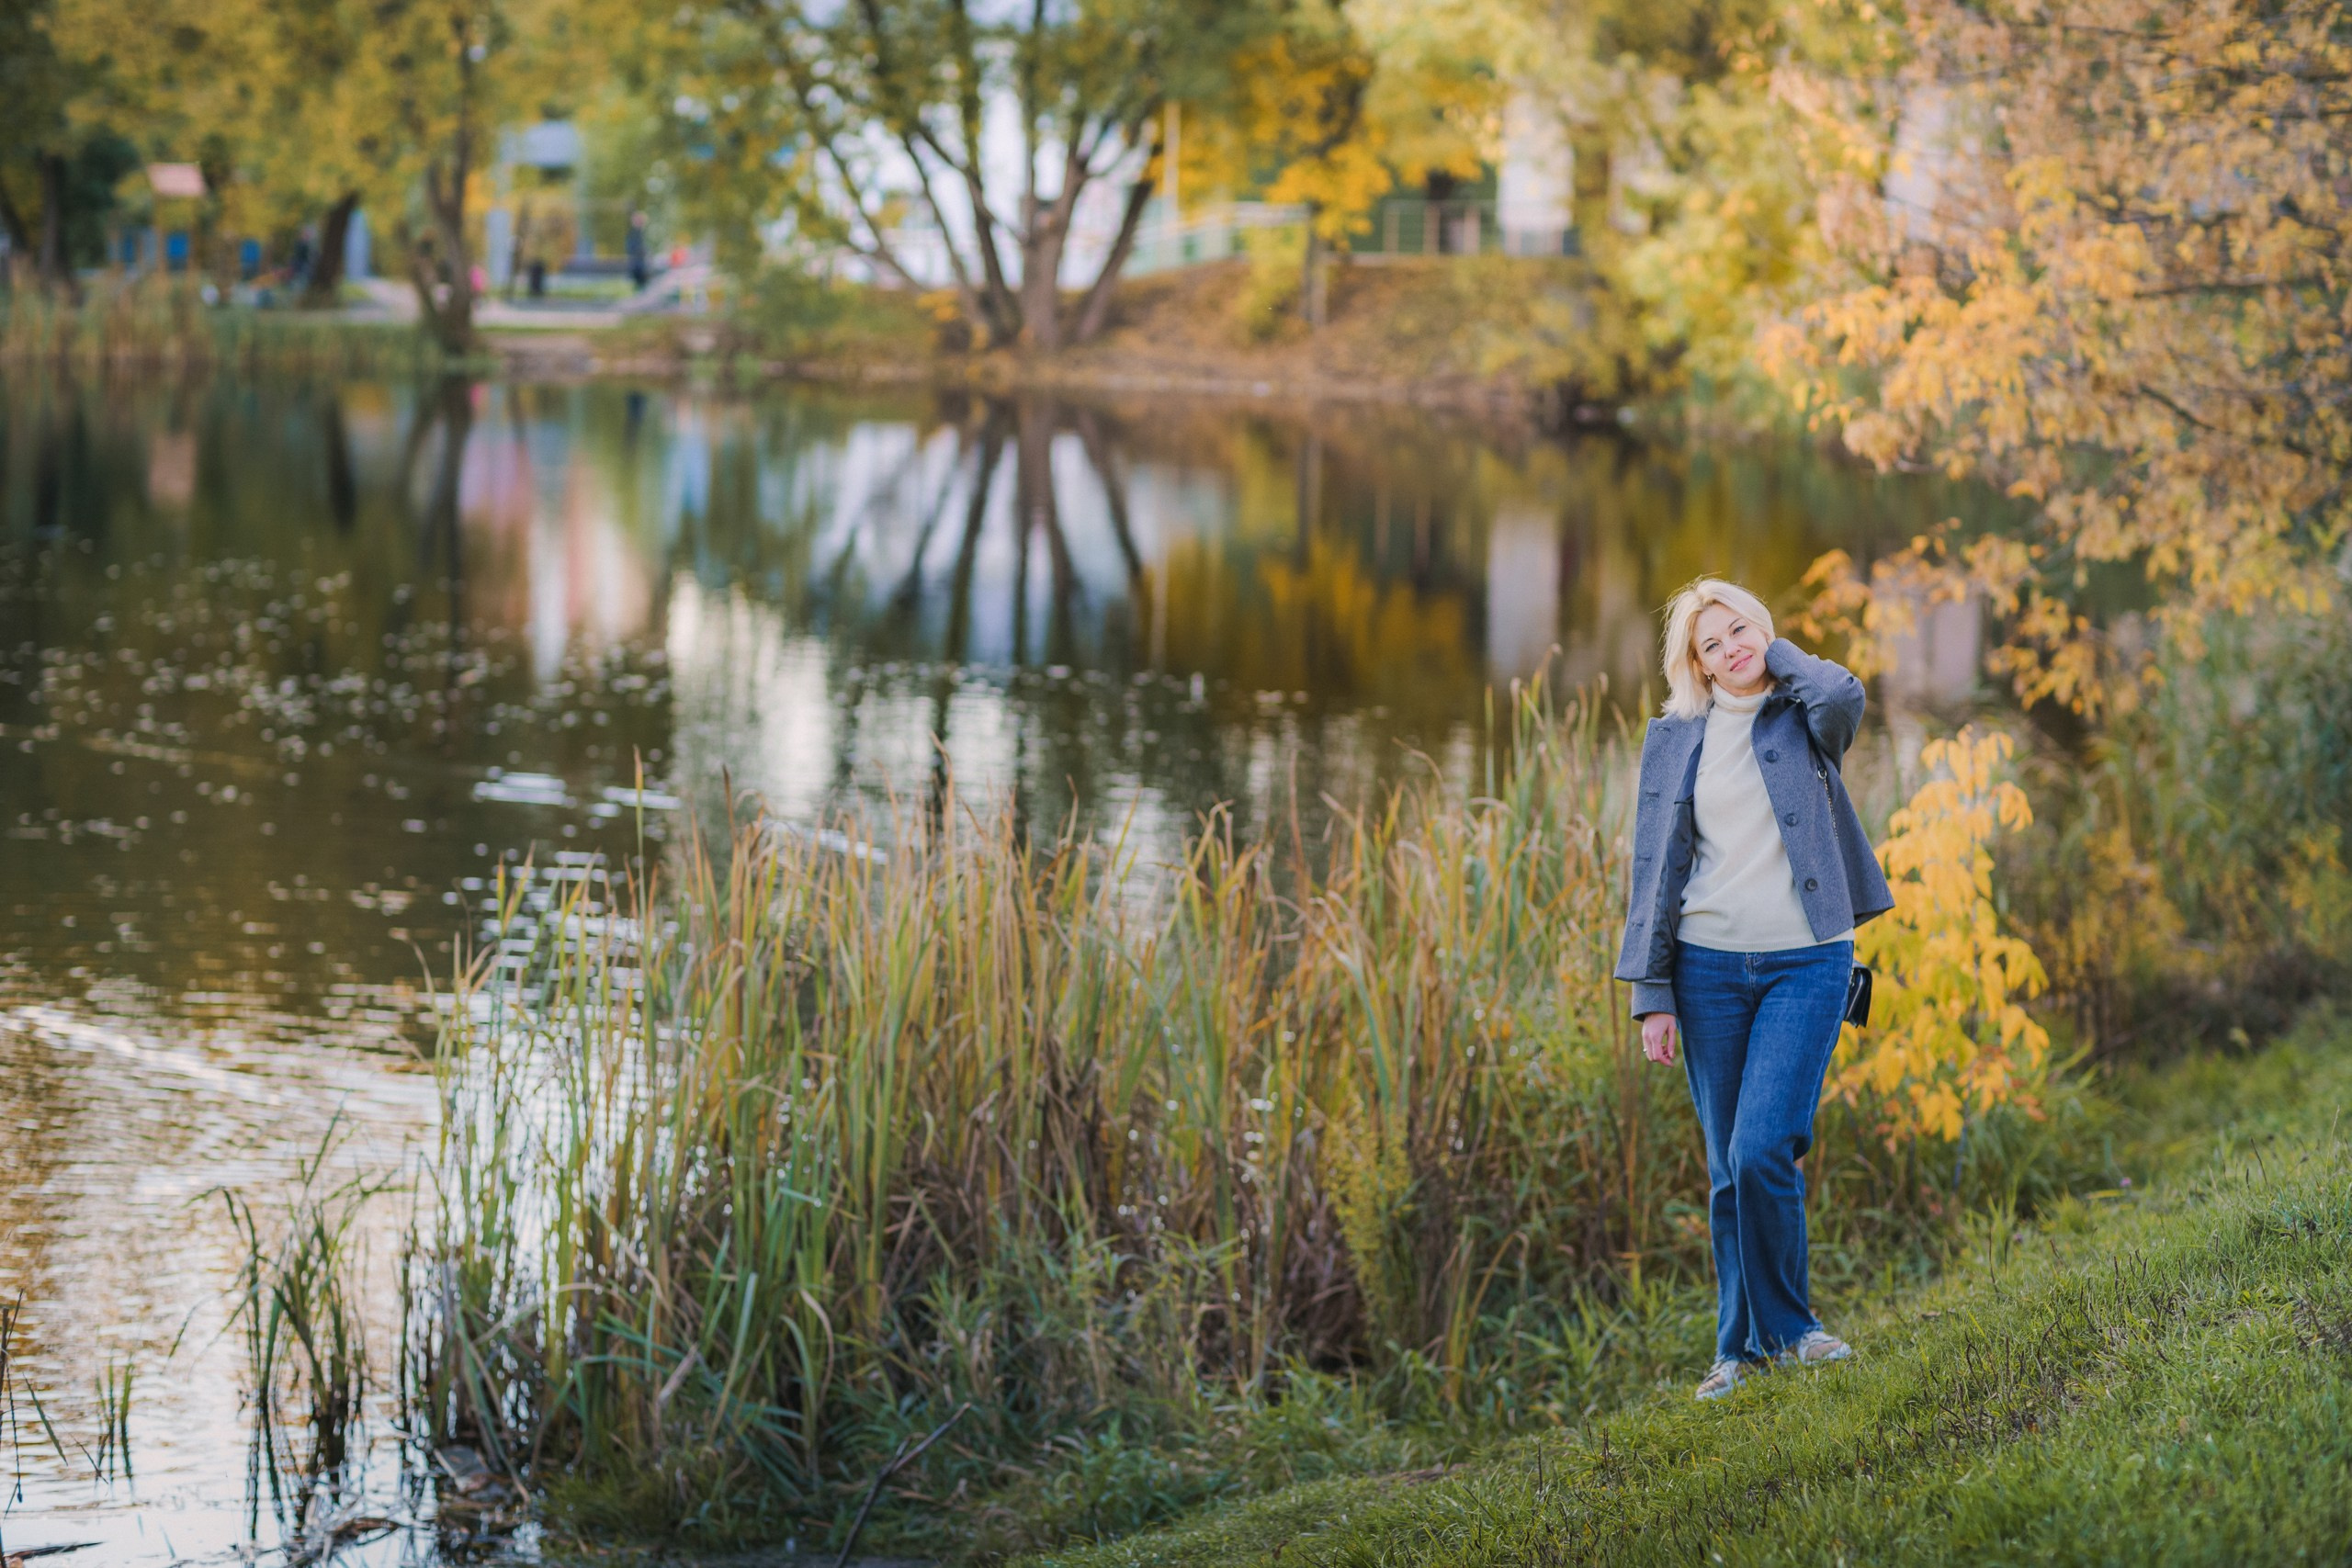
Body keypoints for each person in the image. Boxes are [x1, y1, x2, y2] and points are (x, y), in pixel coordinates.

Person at [1613, 578, 1894, 1402]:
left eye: (1741, 630)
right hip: (1705, 972)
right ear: (1693, 665)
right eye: (1713, 643)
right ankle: (1738, 1348)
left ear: (1764, 631)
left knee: (1762, 1145)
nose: (1731, 648)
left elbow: (1845, 689)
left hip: (1808, 961)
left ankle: (1795, 1328)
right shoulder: (1674, 739)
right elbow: (1653, 869)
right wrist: (1651, 990)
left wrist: (1777, 655)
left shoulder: (1808, 715)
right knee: (1727, 1166)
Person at [627, 211, 650, 292]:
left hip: (640, 266)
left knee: (642, 289)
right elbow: (632, 249)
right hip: (638, 267)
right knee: (640, 289)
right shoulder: (635, 234)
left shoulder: (640, 233)